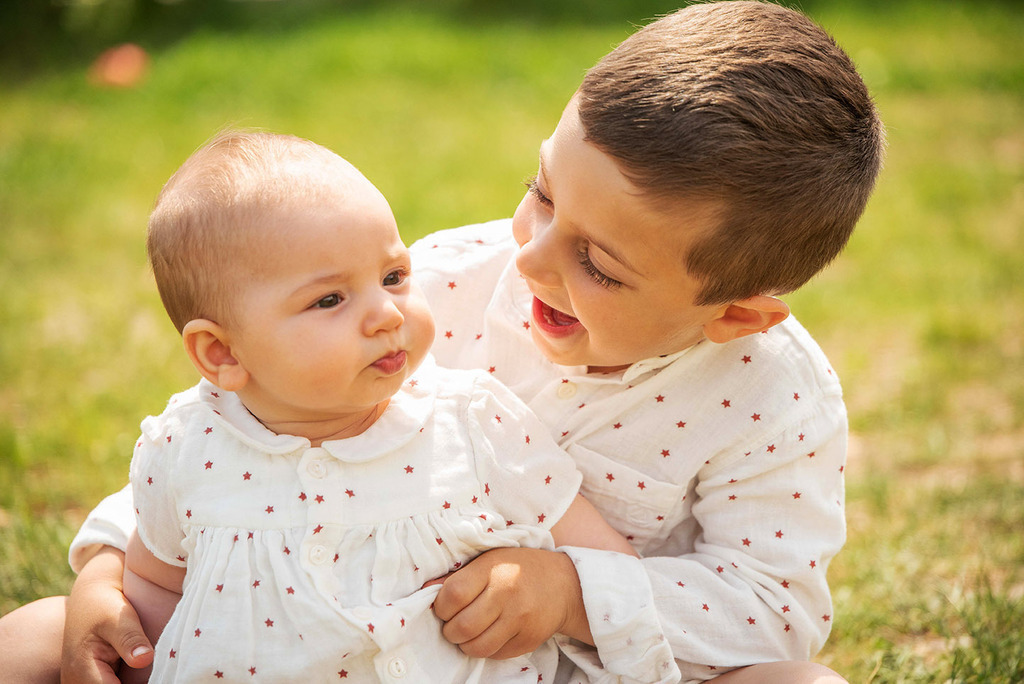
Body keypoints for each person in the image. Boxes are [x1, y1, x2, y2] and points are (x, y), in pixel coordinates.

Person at [0, 2, 884, 683]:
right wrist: (111, 570)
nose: (529, 257)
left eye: (600, 265)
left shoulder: (774, 398)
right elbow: (242, 436)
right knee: (35, 636)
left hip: (592, 667)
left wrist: (572, 594)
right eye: (541, 194)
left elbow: (772, 607)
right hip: (333, 632)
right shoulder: (443, 285)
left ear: (734, 314)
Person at [101, 129, 639, 683]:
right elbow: (157, 584)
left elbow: (612, 566)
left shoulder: (474, 422)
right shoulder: (186, 446)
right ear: (222, 353)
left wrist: (551, 587)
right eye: (329, 299)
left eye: (394, 276)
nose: (386, 313)